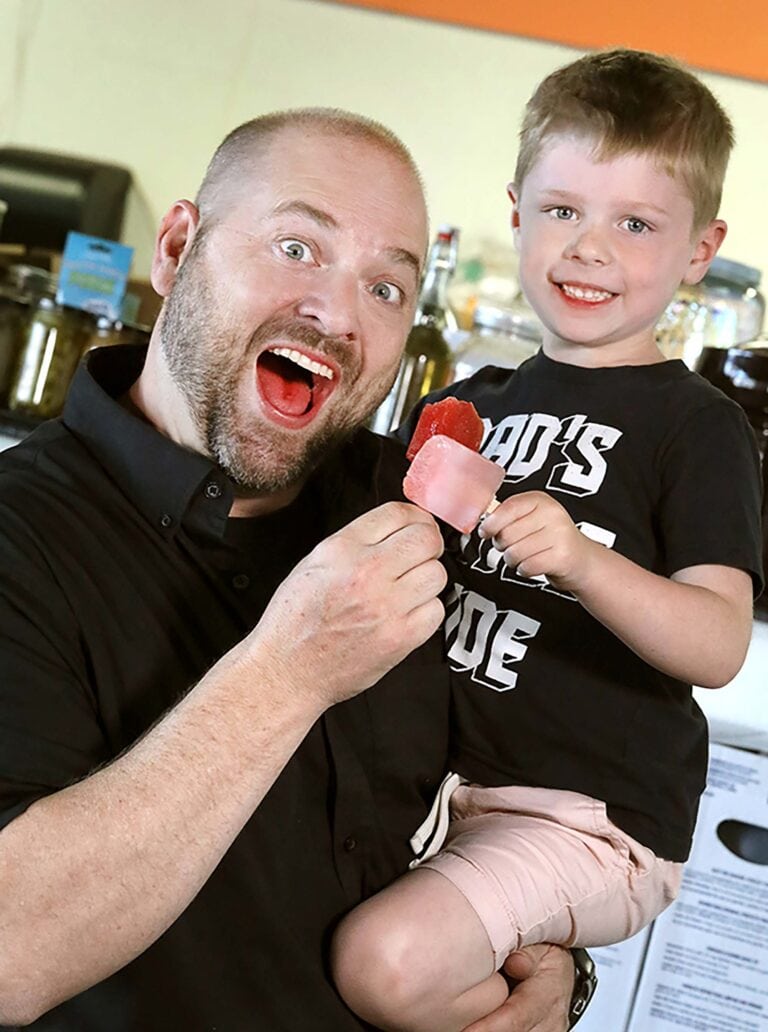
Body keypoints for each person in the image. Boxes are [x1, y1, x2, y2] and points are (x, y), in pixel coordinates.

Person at [0, 108, 580, 1031]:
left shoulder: (419, 507)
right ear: (179, 247)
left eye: (388, 289)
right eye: (298, 247)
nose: (340, 316)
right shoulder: (18, 535)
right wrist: (288, 673)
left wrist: (558, 967)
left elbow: (534, 793)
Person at [331, 51, 765, 1032]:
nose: (590, 249)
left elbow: (718, 642)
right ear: (518, 210)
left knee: (383, 964)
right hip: (439, 793)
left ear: (702, 249)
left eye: (637, 224)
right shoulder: (475, 403)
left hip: (587, 820)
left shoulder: (696, 427)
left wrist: (579, 559)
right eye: (564, 211)